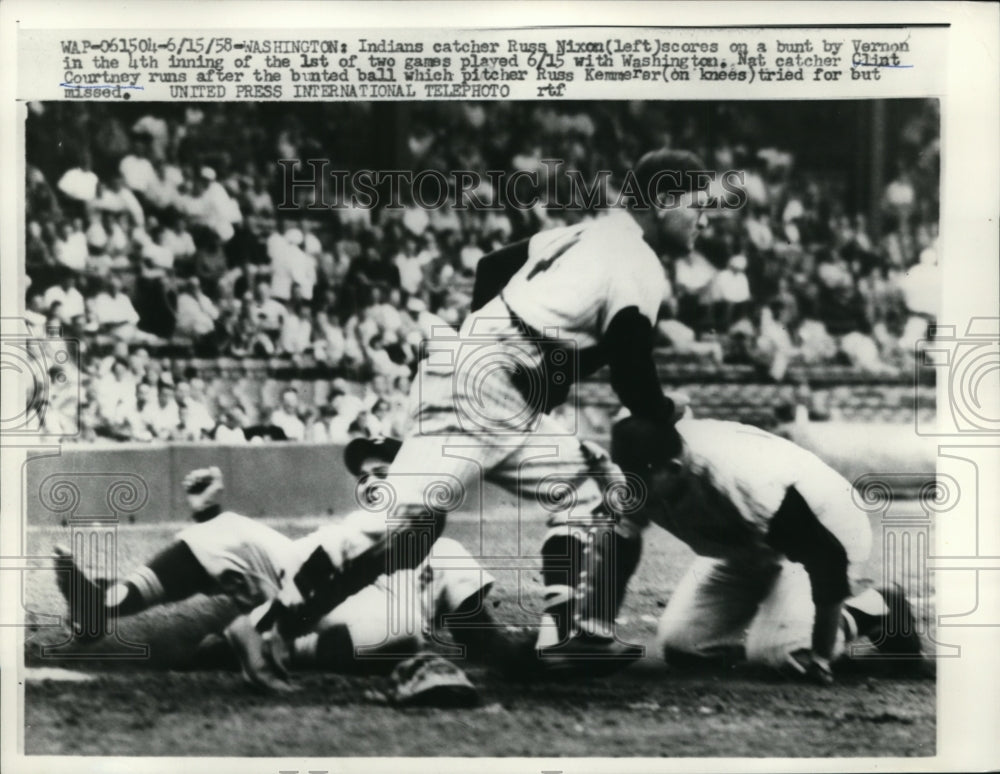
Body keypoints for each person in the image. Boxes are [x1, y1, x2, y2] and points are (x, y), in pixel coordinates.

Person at [223, 149, 711, 689]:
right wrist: (670, 414)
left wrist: (492, 345)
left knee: (591, 487)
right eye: (698, 205)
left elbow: (493, 267)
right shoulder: (638, 261)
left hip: (492, 388)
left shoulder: (587, 234)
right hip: (484, 391)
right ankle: (263, 625)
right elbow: (634, 377)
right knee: (400, 525)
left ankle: (567, 637)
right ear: (664, 201)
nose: (705, 219)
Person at [54, 461, 500, 678]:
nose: (368, 479)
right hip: (300, 586)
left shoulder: (446, 551)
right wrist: (209, 520)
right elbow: (279, 566)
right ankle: (102, 606)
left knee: (402, 628)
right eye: (362, 474)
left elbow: (482, 637)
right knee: (229, 530)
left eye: (380, 468)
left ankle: (264, 649)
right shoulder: (338, 534)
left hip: (368, 617)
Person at [609, 415, 928, 685]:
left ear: (675, 468)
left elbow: (826, 558)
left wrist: (820, 656)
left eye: (639, 478)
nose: (629, 485)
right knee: (683, 647)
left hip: (825, 528)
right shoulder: (648, 467)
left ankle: (875, 607)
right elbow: (624, 539)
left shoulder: (742, 483)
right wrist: (599, 627)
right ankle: (784, 622)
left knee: (786, 657)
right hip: (747, 542)